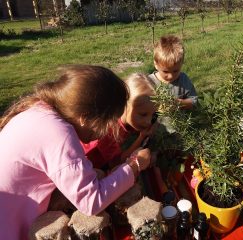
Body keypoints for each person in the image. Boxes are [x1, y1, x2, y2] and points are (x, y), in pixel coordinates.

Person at [0, 65, 151, 240]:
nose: (105, 132)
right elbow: (91, 201)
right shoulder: (59, 134)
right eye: (107, 123)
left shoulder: (41, 111)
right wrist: (135, 165)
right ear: (85, 118)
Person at [82, 73, 157, 170]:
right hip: (89, 168)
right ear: (124, 105)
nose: (148, 121)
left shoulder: (128, 119)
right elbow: (116, 163)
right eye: (143, 114)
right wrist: (141, 138)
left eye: (153, 114)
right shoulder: (108, 130)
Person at [149, 35, 198, 110]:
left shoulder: (183, 80)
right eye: (165, 71)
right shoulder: (149, 82)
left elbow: (194, 102)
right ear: (156, 64)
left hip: (178, 121)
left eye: (175, 71)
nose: (171, 76)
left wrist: (179, 103)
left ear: (182, 64)